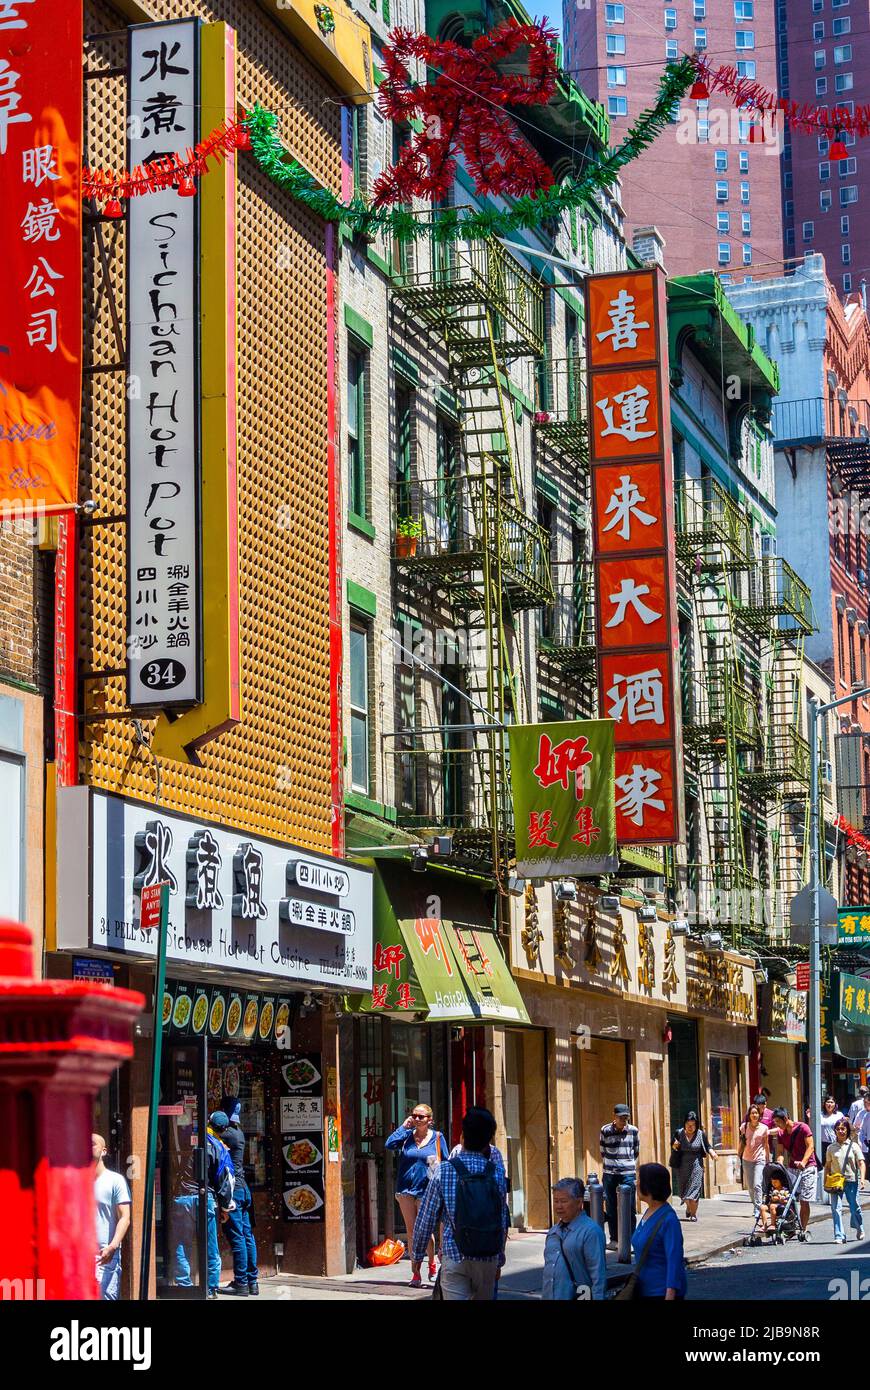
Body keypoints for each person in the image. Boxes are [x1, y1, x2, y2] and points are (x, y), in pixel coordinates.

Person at [412, 1106, 508, 1301]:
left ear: (463, 1136)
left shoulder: (445, 1170)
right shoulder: (496, 1172)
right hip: (487, 1257)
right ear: (488, 1141)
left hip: (455, 1254)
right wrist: (499, 1259)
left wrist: (417, 1254)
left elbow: (426, 1218)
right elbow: (502, 1219)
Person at [385, 1102, 449, 1286]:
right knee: (412, 1232)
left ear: (430, 1120)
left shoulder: (438, 1138)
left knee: (426, 1231)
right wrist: (404, 1127)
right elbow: (389, 1144)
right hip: (405, 1189)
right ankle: (416, 1273)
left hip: (427, 1190)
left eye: (421, 1116)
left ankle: (431, 1263)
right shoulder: (407, 1137)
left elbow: (445, 1163)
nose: (416, 1119)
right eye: (414, 1115)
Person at [172, 1111, 235, 1297]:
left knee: (182, 1244)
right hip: (206, 1198)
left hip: (182, 1197)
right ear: (223, 1129)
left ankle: (184, 1285)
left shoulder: (189, 1138)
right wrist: (225, 1208)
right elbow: (225, 1181)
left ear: (207, 1121)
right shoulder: (219, 1148)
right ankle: (210, 1287)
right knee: (210, 1246)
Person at [214, 1100, 259, 1296]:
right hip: (244, 1190)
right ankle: (252, 1281)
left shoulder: (228, 1134)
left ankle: (241, 1282)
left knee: (237, 1236)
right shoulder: (238, 1132)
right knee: (247, 1236)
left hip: (234, 1191)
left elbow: (209, 1134)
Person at [542, 1178, 607, 1301]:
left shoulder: (591, 1231)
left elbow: (598, 1275)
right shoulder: (553, 1232)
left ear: (579, 1202)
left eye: (563, 1201)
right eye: (556, 1201)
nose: (558, 1206)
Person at [630, 1164, 687, 1301]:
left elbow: (674, 1260)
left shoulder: (668, 1219)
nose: (636, 1185)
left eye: (638, 1181)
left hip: (660, 1293)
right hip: (644, 1290)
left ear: (648, 1186)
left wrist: (670, 1293)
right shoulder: (648, 1212)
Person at [93, 1134, 131, 1300]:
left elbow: (125, 1217)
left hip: (104, 1254)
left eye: (92, 1144)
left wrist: (113, 1246)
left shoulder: (115, 1180)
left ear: (104, 1151)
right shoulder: (76, 1180)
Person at [770, 1107, 818, 1234]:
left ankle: (803, 1228)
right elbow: (780, 1152)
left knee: (804, 1200)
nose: (777, 1125)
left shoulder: (803, 1128)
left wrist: (803, 1162)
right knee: (789, 1197)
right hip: (792, 1168)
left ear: (785, 1119)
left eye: (778, 1122)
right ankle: (791, 1225)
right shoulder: (781, 1133)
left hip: (807, 1167)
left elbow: (810, 1147)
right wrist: (779, 1163)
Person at [600, 1102, 640, 1249]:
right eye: (621, 1118)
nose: (624, 1121)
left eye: (626, 1118)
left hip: (628, 1173)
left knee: (629, 1208)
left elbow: (636, 1151)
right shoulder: (605, 1130)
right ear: (614, 1117)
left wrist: (626, 1163)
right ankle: (615, 1239)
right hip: (610, 1173)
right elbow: (602, 1150)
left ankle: (631, 1240)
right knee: (611, 1206)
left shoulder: (633, 1131)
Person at [824, 1115, 865, 1244]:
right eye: (838, 1129)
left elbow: (861, 1163)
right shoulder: (831, 1148)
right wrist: (826, 1180)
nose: (841, 1131)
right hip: (836, 1181)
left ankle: (859, 1227)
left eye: (843, 1129)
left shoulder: (854, 1146)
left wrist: (862, 1179)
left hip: (851, 1180)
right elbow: (828, 1166)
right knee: (836, 1208)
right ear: (835, 1130)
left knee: (855, 1207)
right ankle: (839, 1235)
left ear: (847, 1130)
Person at [671, 1111, 717, 1222]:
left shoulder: (701, 1134)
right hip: (682, 1165)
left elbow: (707, 1146)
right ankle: (688, 1207)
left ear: (696, 1124)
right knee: (683, 1193)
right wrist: (675, 1145)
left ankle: (693, 1214)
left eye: (693, 1125)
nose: (690, 1127)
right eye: (688, 1124)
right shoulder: (679, 1133)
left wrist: (713, 1153)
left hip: (697, 1164)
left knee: (695, 1191)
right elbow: (673, 1145)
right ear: (684, 1124)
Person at [738, 1103, 770, 1217]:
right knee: (750, 1186)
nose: (754, 1115)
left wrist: (767, 1159)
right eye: (752, 1113)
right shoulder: (744, 1127)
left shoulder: (764, 1128)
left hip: (759, 1159)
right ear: (749, 1115)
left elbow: (766, 1145)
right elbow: (742, 1142)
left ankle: (758, 1208)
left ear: (759, 1114)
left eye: (756, 1113)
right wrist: (738, 1156)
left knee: (757, 1184)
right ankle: (755, 1204)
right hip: (746, 1159)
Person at [759, 1170, 790, 1234]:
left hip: (782, 1206)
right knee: (762, 1207)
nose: (774, 1184)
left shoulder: (784, 1189)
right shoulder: (772, 1189)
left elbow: (787, 1199)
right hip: (772, 1205)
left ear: (780, 1181)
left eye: (775, 1182)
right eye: (772, 1182)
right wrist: (773, 1198)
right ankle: (765, 1225)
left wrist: (782, 1200)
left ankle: (773, 1224)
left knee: (772, 1206)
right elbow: (770, 1198)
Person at [819, 1095, 846, 1167]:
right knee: (825, 1165)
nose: (830, 1104)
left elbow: (844, 1128)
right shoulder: (820, 1115)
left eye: (832, 1102)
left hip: (836, 1143)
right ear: (824, 1104)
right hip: (822, 1144)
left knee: (836, 1164)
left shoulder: (839, 1115)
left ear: (835, 1104)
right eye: (828, 1102)